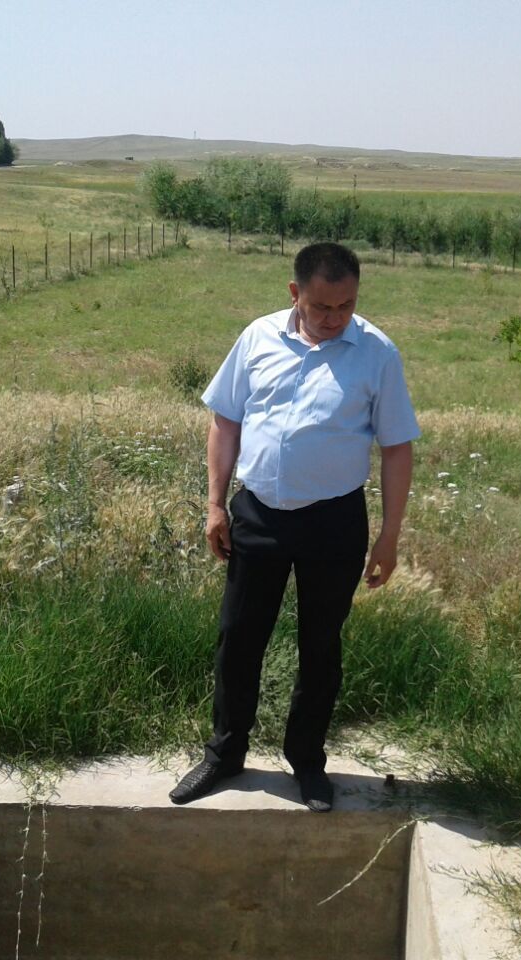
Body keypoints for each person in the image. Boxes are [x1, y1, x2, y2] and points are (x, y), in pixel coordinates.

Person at [170, 243, 420, 812]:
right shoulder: (257, 338)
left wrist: (389, 535)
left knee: (321, 647)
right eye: (322, 306)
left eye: (346, 305)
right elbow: (225, 421)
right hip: (257, 513)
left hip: (334, 521)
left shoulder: (377, 353)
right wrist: (215, 504)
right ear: (294, 294)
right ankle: (224, 754)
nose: (335, 318)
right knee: (239, 638)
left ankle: (307, 762)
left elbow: (397, 447)